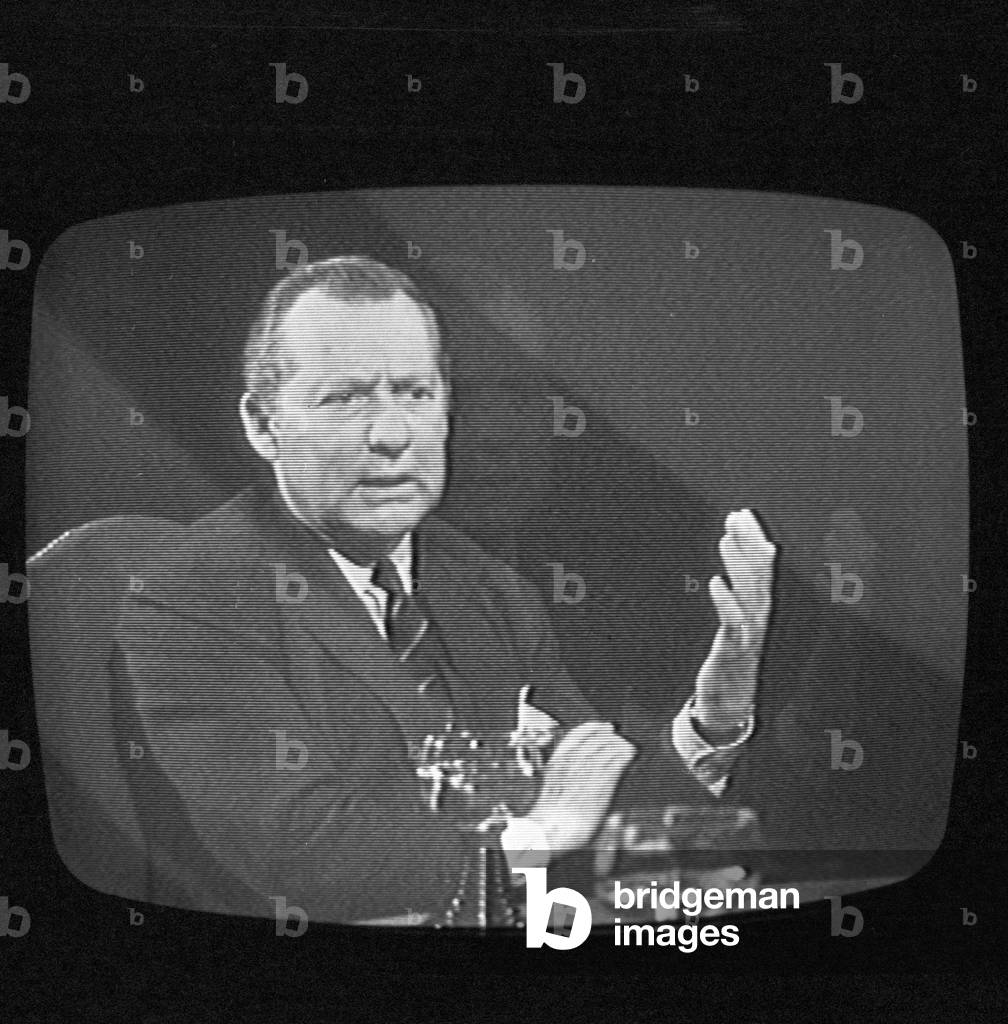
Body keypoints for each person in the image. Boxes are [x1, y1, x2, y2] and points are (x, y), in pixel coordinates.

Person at [113, 256, 776, 923]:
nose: (392, 434)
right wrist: (540, 833)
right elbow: (309, 856)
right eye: (344, 399)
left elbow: (603, 796)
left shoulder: (486, 586)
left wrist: (710, 723)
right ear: (263, 423)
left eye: (414, 392)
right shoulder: (187, 599)